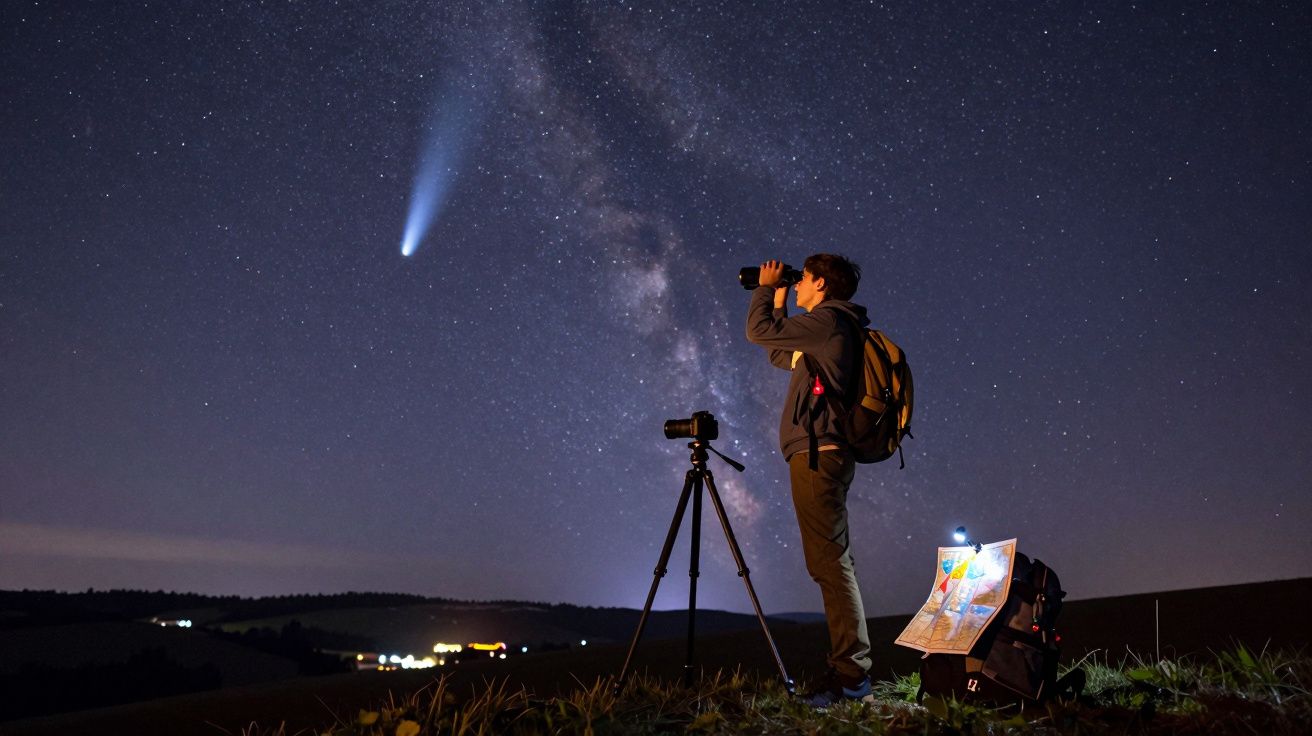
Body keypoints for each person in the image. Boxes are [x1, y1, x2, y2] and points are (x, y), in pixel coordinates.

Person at [744, 254, 874, 706]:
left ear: (820, 283)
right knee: (829, 563)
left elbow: (756, 332)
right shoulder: (825, 330)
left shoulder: (829, 321)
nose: (796, 285)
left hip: (820, 454)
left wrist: (764, 289)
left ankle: (850, 677)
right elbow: (780, 352)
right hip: (819, 452)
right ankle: (850, 672)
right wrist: (778, 302)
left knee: (829, 564)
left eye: (802, 279)